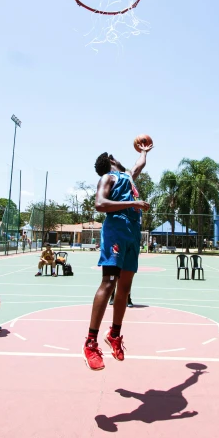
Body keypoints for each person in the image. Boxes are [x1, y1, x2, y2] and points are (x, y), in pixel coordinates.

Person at [83, 144, 152, 371]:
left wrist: (144, 151)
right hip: (116, 229)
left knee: (125, 288)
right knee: (109, 282)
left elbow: (138, 165)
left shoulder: (128, 176)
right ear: (111, 160)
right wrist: (132, 203)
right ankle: (90, 343)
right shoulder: (108, 178)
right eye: (115, 157)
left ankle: (114, 335)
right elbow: (100, 204)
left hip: (132, 232)